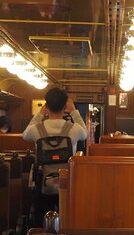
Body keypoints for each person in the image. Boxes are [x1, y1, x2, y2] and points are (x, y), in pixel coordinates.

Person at [23, 88, 88, 221]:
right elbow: (85, 133)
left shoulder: (36, 129)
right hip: (67, 184)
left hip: (43, 184)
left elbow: (25, 135)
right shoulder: (74, 129)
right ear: (65, 107)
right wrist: (74, 112)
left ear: (46, 106)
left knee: (41, 219)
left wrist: (40, 114)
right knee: (67, 219)